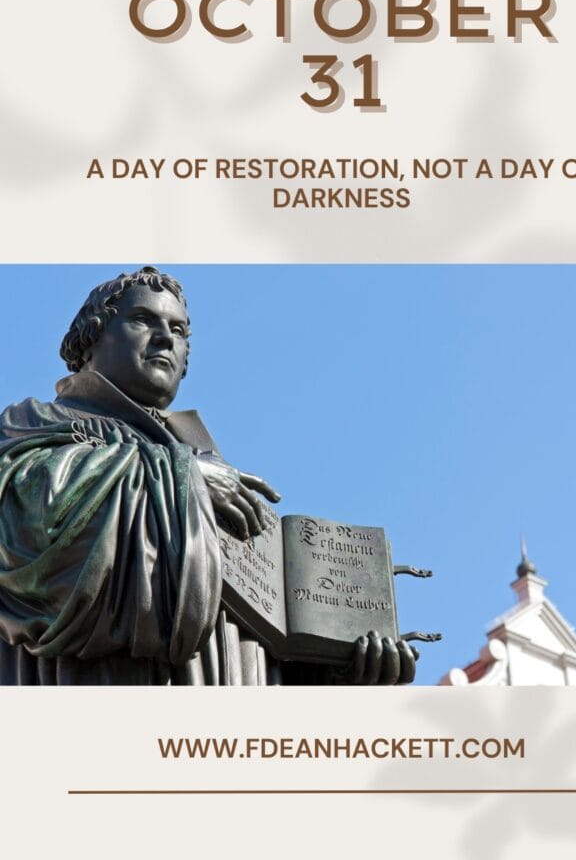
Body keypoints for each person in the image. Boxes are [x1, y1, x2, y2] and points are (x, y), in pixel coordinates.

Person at [0, 267, 416, 686]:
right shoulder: (36, 421)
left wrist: (332, 671)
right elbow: (21, 516)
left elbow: (243, 651)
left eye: (178, 329)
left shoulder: (210, 465)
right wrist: (184, 478)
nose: (166, 337)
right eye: (143, 319)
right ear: (91, 340)